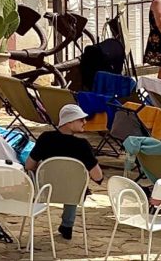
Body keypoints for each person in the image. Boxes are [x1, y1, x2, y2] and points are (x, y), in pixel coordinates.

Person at [25, 103, 103, 241]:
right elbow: (98, 176)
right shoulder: (82, 146)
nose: (85, 122)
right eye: (81, 119)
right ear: (69, 121)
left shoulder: (45, 138)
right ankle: (67, 224)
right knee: (75, 182)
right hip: (70, 193)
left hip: (45, 190)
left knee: (69, 180)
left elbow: (29, 165)